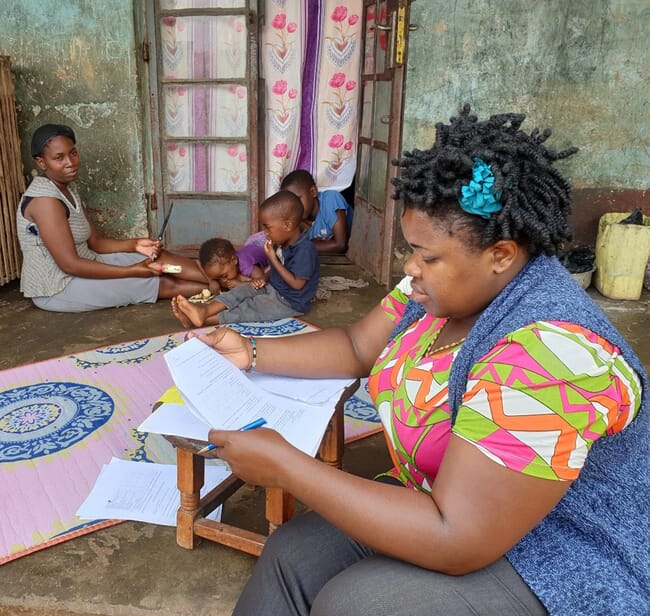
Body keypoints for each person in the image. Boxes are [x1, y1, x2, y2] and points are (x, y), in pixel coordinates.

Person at [190, 106, 649, 615]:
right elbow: (356, 347)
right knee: (292, 553)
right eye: (413, 250)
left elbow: (457, 537)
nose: (410, 268)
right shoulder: (431, 292)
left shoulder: (549, 352)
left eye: (427, 256)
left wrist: (289, 469)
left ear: (501, 254)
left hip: (566, 551)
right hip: (444, 503)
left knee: (357, 604)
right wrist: (251, 352)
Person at [17, 123, 217, 312]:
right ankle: (225, 288)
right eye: (59, 158)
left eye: (73, 153)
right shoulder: (45, 200)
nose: (70, 162)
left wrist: (136, 245)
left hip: (87, 261)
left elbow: (95, 242)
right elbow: (70, 265)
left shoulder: (67, 187)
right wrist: (132, 270)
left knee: (155, 258)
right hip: (58, 287)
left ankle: (224, 279)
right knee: (151, 280)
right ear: (41, 162)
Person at [172, 190, 319, 327]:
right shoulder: (281, 242)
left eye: (268, 228)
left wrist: (273, 259)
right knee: (240, 291)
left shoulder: (305, 250)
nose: (266, 233)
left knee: (250, 308)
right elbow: (275, 269)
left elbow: (297, 284)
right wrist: (264, 277)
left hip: (288, 302)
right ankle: (204, 311)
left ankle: (200, 320)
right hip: (272, 287)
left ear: (287, 225)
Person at [280, 168, 353, 254]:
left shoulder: (330, 199)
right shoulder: (298, 223)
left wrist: (304, 246)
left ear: (313, 192)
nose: (294, 207)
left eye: (298, 199)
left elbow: (340, 245)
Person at [196, 237, 268, 294]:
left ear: (234, 260)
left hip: (265, 249)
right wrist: (211, 281)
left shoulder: (245, 264)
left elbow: (260, 280)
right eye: (217, 279)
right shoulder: (229, 264)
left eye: (224, 276)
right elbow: (198, 262)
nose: (223, 281)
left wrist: (240, 284)